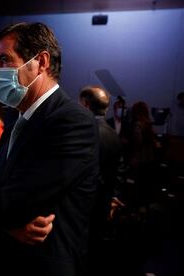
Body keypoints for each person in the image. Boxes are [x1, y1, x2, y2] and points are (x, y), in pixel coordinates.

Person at [0, 22, 99, 275]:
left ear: (41, 61)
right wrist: (6, 223)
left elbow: (15, 203)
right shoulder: (17, 119)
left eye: (4, 60)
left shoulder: (71, 121)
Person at [79, 86, 126, 275]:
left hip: (83, 204)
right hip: (105, 203)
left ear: (85, 104)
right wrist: (114, 198)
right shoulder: (114, 134)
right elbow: (120, 169)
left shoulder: (83, 132)